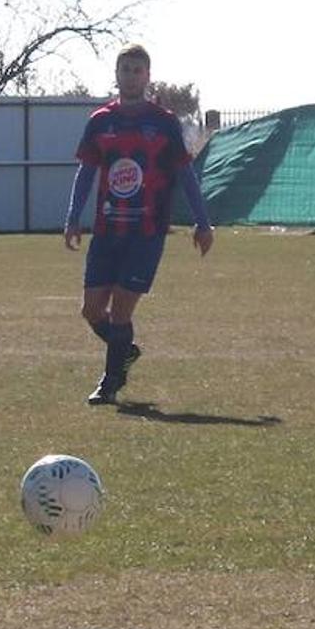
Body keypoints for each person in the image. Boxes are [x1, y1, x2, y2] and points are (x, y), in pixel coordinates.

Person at [63, 43, 214, 406]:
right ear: (116, 74)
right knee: (91, 310)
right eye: (125, 69)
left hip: (146, 232)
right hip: (107, 230)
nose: (131, 76)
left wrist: (202, 221)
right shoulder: (100, 121)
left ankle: (110, 383)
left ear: (147, 76)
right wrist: (72, 217)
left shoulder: (162, 122)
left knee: (121, 309)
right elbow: (86, 172)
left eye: (137, 70)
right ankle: (125, 350)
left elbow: (184, 172)